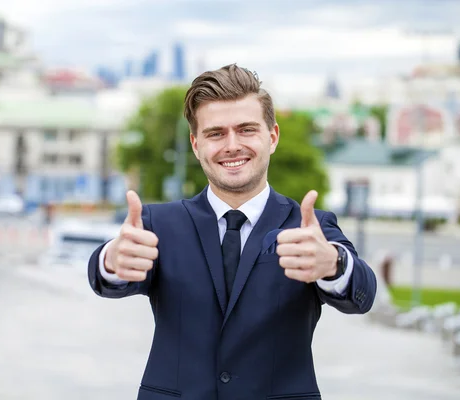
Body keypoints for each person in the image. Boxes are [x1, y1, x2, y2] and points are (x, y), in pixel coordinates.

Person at [88, 64, 377, 400]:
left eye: (246, 130)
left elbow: (363, 295)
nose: (232, 145)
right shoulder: (158, 225)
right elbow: (107, 277)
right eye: (215, 133)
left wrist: (334, 264)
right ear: (196, 146)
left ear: (272, 137)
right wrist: (111, 260)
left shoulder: (311, 229)